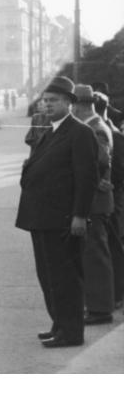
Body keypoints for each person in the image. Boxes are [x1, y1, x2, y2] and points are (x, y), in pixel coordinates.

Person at [15, 76, 98, 348]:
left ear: (69, 103)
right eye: (45, 100)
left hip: (62, 218)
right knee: (47, 276)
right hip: (42, 217)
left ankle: (71, 332)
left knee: (65, 278)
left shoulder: (80, 133)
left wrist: (79, 215)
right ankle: (59, 324)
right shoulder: (50, 130)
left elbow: (87, 178)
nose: (47, 105)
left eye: (53, 101)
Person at [73, 85, 117, 325]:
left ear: (79, 105)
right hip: (95, 200)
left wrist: (93, 181)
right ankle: (96, 306)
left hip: (95, 202)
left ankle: (100, 310)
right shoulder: (93, 126)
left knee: (95, 257)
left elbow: (99, 161)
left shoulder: (95, 129)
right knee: (92, 255)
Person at [94, 91, 124, 309]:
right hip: (112, 194)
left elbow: (117, 168)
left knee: (111, 246)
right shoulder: (112, 130)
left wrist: (104, 181)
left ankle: (116, 294)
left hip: (111, 196)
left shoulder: (106, 132)